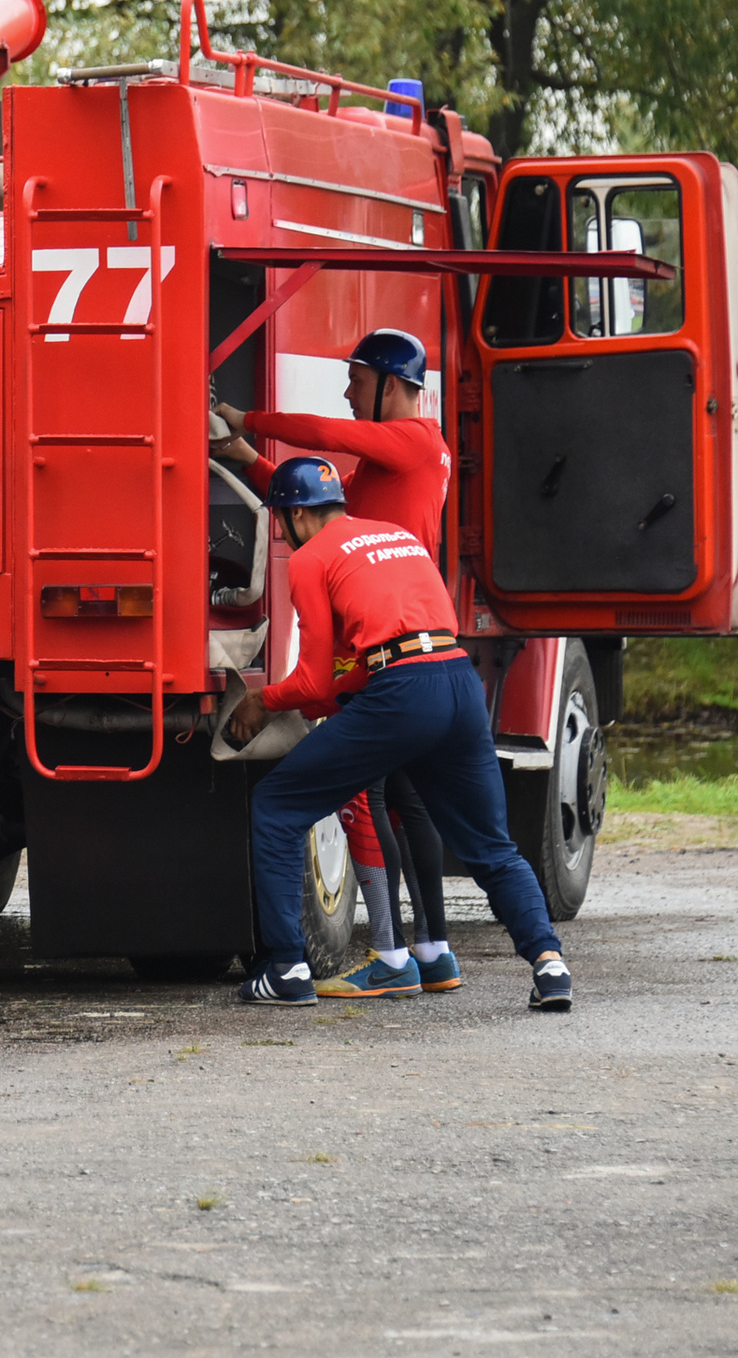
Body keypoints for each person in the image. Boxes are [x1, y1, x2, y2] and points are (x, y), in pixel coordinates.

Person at [223, 458, 571, 1013]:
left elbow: (314, 679)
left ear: (292, 514)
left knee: (277, 805)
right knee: (492, 847)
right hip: (457, 683)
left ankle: (286, 969)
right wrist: (328, 696)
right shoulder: (396, 536)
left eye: (279, 520)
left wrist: (264, 700)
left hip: (403, 695)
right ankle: (550, 964)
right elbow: (396, 651)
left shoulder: (312, 557)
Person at [213, 329, 457, 998]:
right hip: (406, 636)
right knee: (405, 797)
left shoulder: (415, 441)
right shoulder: (388, 469)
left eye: (357, 379)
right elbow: (317, 512)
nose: (347, 393)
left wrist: (251, 420)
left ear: (393, 386)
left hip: (383, 642)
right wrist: (247, 458)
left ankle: (390, 955)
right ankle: (431, 953)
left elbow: (326, 434)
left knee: (366, 795)